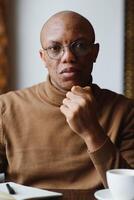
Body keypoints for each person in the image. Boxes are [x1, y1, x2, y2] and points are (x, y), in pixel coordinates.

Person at [0, 10, 134, 191]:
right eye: (55, 48)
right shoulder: (6, 108)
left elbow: (130, 192)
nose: (68, 57)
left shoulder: (125, 111)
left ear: (95, 52)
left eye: (79, 46)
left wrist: (91, 131)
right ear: (43, 57)